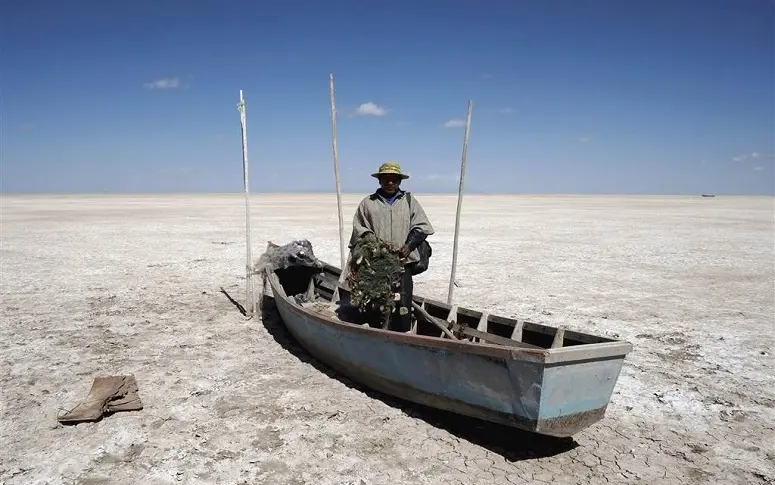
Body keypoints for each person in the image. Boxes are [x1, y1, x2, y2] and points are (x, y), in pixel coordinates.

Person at [349, 161, 435, 331]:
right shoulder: (368, 203)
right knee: (375, 302)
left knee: (403, 304)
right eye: (386, 179)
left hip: (404, 264)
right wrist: (373, 245)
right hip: (375, 265)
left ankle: (402, 334)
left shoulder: (409, 202)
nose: (390, 183)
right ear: (379, 181)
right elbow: (359, 229)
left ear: (399, 181)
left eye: (393, 179)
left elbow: (422, 227)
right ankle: (375, 334)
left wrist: (409, 246)